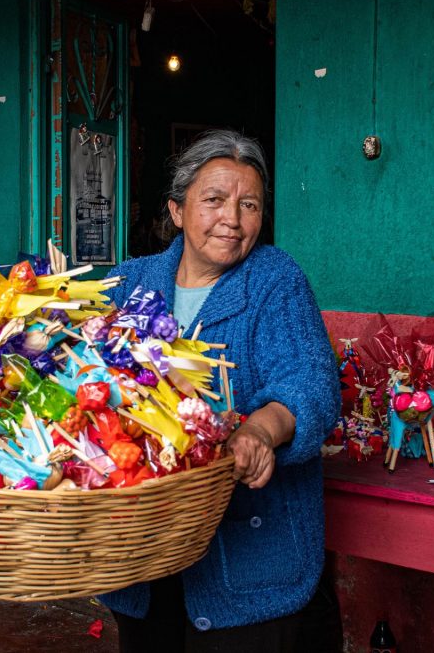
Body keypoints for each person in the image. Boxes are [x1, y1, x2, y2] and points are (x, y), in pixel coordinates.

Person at [100, 130, 343, 652]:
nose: (232, 219)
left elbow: (311, 382)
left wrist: (260, 430)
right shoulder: (128, 284)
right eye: (213, 200)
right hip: (143, 559)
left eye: (248, 204)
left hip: (251, 561)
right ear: (177, 211)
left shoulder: (275, 279)